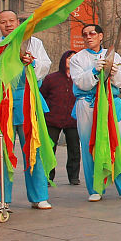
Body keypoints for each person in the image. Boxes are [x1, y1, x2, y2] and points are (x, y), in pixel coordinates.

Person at [0, 9, 52, 211]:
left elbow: (45, 67)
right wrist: (6, 64)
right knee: (1, 151)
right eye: (3, 22)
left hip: (27, 101)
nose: (8, 25)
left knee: (33, 148)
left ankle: (39, 196)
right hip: (2, 101)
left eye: (12, 21)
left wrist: (32, 62)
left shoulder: (33, 43)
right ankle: (0, 198)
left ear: (19, 22)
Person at [69, 24, 121, 201]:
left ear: (101, 36)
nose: (88, 37)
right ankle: (96, 189)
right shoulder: (77, 59)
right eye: (85, 34)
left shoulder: (114, 55)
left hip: (111, 102)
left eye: (92, 33)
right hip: (87, 104)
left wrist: (114, 72)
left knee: (118, 144)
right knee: (89, 145)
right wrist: (94, 71)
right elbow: (80, 82)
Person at [40, 50, 81, 185]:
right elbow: (42, 96)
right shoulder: (52, 78)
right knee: (50, 148)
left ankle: (74, 176)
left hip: (73, 119)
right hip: (53, 119)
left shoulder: (79, 78)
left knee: (74, 149)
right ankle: (48, 175)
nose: (71, 61)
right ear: (63, 60)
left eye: (74, 59)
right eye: (69, 58)